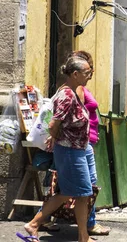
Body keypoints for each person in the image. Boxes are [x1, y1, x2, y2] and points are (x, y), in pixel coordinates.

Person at [22, 56, 94, 242]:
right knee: (81, 193)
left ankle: (35, 225)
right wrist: (54, 138)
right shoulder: (67, 95)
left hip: (75, 149)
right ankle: (81, 237)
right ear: (75, 74)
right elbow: (54, 123)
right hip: (70, 150)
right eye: (87, 73)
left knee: (74, 192)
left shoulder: (71, 92)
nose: (89, 76)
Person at [69, 51, 110, 237]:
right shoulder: (78, 88)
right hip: (81, 144)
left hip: (86, 142)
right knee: (88, 187)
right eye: (88, 68)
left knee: (78, 187)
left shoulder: (82, 87)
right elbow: (78, 115)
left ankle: (41, 219)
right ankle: (88, 225)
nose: (91, 71)